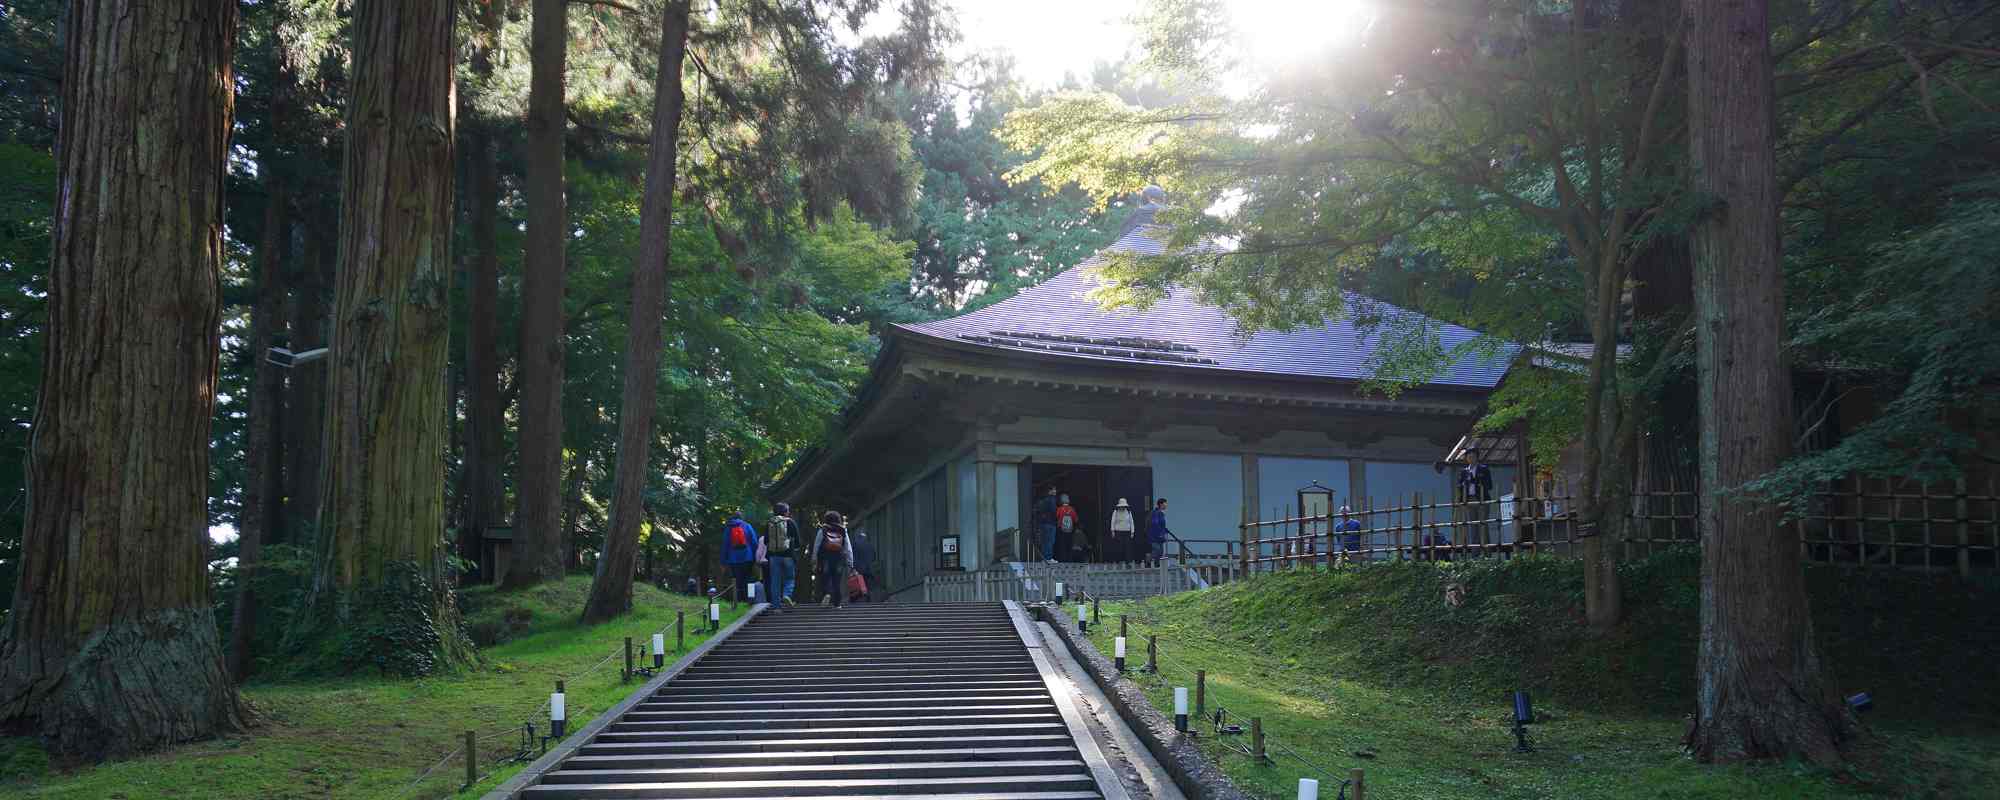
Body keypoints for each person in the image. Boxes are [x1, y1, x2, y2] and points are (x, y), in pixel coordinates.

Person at [812, 510, 855, 608]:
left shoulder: (822, 530)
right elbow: (848, 547)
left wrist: (814, 559)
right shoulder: (843, 530)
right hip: (839, 558)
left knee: (826, 578)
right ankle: (837, 604)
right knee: (837, 580)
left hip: (825, 558)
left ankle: (827, 593)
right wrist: (850, 562)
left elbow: (817, 545)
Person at [720, 511, 760, 606]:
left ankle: (739, 600)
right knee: (748, 579)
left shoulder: (728, 528)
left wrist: (723, 561)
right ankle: (749, 599)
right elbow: (754, 542)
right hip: (748, 557)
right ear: (742, 517)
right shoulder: (747, 526)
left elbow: (725, 545)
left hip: (733, 559)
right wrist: (756, 557)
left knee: (737, 580)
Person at [765, 502, 800, 609]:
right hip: (788, 555)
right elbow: (798, 540)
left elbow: (766, 540)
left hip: (773, 556)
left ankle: (776, 607)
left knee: (775, 581)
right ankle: (786, 595)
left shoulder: (769, 523)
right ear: (785, 512)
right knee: (790, 578)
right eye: (788, 510)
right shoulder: (790, 522)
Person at [850, 526, 876, 603]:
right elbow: (874, 556)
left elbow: (851, 556)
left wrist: (852, 567)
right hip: (868, 569)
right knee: (867, 584)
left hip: (858, 568)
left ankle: (856, 599)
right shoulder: (870, 544)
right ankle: (868, 599)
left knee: (857, 584)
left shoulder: (854, 544)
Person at [1035, 486, 1060, 563]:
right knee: (1050, 541)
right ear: (1049, 491)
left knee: (1044, 542)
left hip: (1043, 524)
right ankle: (1048, 558)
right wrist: (1057, 517)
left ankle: (1044, 558)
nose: (1055, 491)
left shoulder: (1042, 500)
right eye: (1054, 490)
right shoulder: (1052, 499)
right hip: (1050, 523)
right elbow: (1054, 511)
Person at [1109, 498, 1136, 563]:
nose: (1122, 507)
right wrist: (1112, 531)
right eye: (1121, 506)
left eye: (1124, 506)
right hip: (1118, 531)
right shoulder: (1115, 512)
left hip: (1127, 531)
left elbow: (1131, 522)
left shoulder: (1128, 511)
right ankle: (1118, 561)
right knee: (1119, 547)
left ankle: (1128, 561)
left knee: (1128, 547)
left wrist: (1132, 532)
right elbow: (1113, 521)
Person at [1147, 498, 1172, 564]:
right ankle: (1148, 562)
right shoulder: (1156, 513)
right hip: (1155, 536)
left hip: (1159, 536)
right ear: (1161, 504)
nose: (1166, 505)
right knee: (1157, 550)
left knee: (1160, 552)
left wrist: (1164, 531)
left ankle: (1157, 565)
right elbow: (1155, 524)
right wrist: (1160, 534)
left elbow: (1161, 525)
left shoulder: (1160, 513)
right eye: (1165, 503)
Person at [1055, 494, 1079, 561]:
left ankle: (1062, 559)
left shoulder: (1059, 509)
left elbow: (1056, 517)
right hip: (1070, 530)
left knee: (1062, 545)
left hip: (1061, 530)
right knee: (1069, 545)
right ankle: (1069, 559)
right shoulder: (1072, 509)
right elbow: (1076, 520)